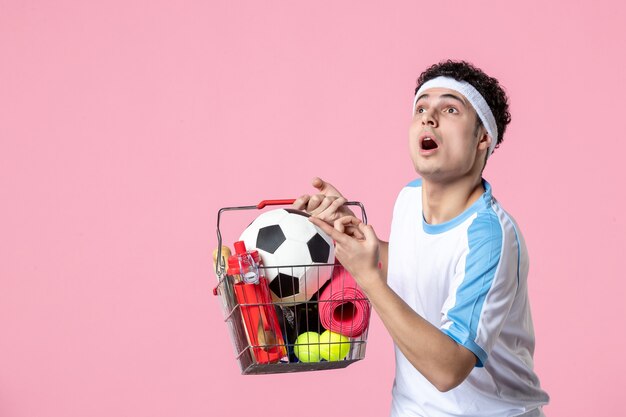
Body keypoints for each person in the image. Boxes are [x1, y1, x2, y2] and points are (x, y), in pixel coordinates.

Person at [293, 60, 550, 417]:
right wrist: (349, 231)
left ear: (482, 138)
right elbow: (413, 266)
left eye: (449, 108)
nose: (429, 118)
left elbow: (449, 369)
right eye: (421, 108)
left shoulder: (489, 237)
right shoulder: (409, 199)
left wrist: (367, 279)